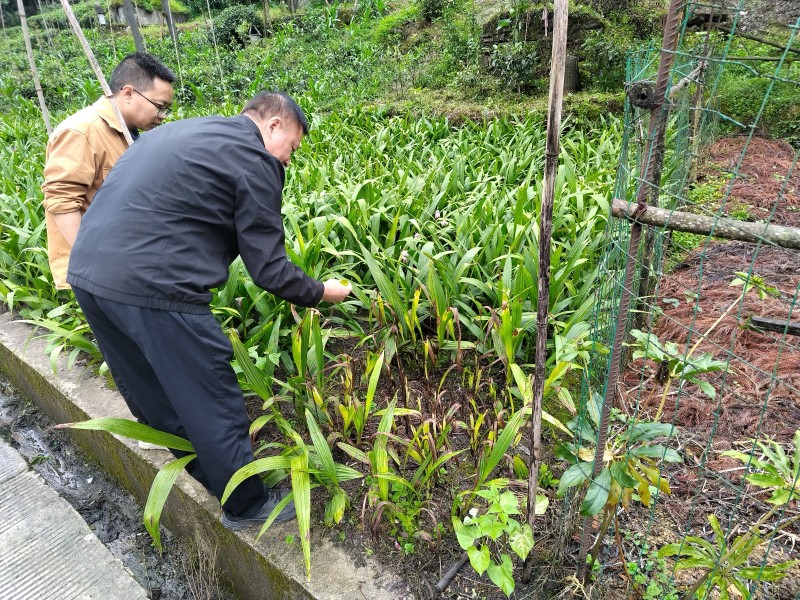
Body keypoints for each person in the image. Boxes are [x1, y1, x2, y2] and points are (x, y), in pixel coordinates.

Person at [66, 91, 353, 529]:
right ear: (273, 124)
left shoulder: (178, 132)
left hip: (89, 275)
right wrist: (321, 292)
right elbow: (269, 269)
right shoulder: (255, 158)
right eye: (291, 147)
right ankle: (247, 504)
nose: (288, 159)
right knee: (211, 394)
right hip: (154, 286)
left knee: (155, 395)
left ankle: (213, 478)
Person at [41, 51, 176, 289]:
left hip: (124, 263)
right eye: (159, 106)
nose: (162, 116)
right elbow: (61, 201)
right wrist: (92, 261)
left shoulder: (129, 133)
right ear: (128, 93)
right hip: (96, 274)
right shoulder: (82, 132)